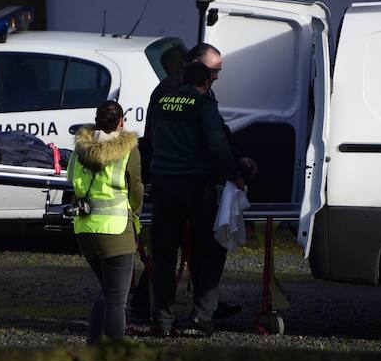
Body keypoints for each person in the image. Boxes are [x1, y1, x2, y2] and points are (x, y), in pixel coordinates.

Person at [130, 43, 256, 321]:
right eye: (213, 71)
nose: (216, 77)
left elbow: (217, 129)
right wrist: (233, 171)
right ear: (197, 67)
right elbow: (214, 137)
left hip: (166, 179)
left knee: (166, 248)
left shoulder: (183, 94)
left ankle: (163, 314)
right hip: (194, 182)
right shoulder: (183, 93)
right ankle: (199, 310)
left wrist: (238, 155)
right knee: (203, 246)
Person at [149, 61, 245, 337]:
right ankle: (201, 316)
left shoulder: (162, 103)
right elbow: (217, 143)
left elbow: (152, 138)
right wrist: (234, 175)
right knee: (210, 249)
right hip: (195, 185)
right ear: (205, 84)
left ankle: (162, 321)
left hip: (163, 184)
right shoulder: (204, 105)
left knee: (163, 254)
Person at [67, 100, 144, 343]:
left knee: (108, 292)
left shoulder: (81, 148)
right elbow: (136, 188)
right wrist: (136, 214)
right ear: (121, 122)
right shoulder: (128, 150)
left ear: (96, 121)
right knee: (117, 301)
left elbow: (70, 178)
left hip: (85, 230)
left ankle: (94, 345)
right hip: (116, 232)